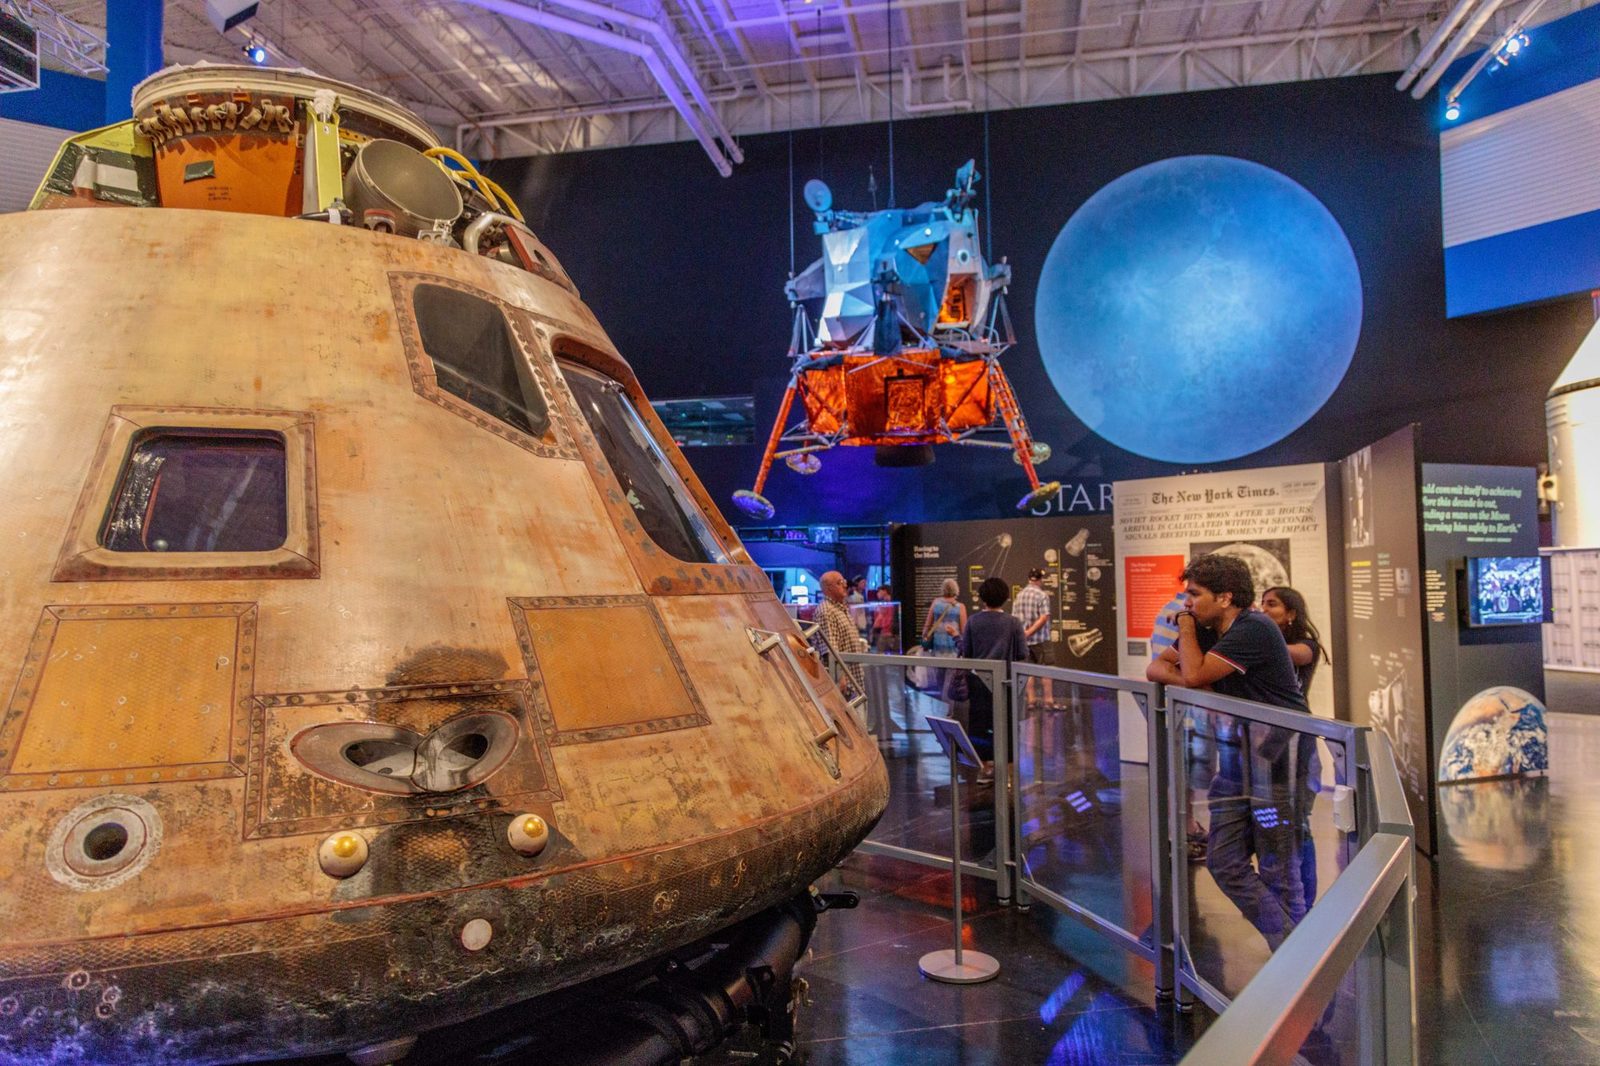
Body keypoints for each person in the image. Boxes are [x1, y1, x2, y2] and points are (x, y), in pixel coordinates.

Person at [1146, 553, 1309, 950]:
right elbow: (1156, 671)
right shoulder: (1207, 629)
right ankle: (1289, 943)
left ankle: (1297, 959)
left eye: (1195, 595)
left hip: (1278, 757)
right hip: (1239, 756)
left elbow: (1192, 673)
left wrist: (1187, 641)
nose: (1187, 604)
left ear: (1225, 598)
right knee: (1223, 862)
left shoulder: (1253, 628)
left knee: (1279, 868)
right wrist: (1201, 680)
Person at [1261, 585, 1333, 909]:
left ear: (1291, 614)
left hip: (1298, 747)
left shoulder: (1306, 647)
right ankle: (1289, 903)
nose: (1264, 609)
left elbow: (1291, 654)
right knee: (1277, 827)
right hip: (1270, 747)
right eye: (1261, 604)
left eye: (1272, 605)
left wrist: (1253, 630)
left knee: (1298, 825)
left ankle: (1306, 903)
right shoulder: (1264, 645)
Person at [959, 576, 1027, 775]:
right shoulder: (1013, 623)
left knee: (980, 726)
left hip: (978, 684)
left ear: (983, 598)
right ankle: (1006, 770)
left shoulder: (973, 621)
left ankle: (985, 769)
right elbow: (1022, 652)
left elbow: (967, 652)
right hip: (1005, 684)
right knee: (1006, 725)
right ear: (1006, 598)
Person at [816, 570, 868, 698]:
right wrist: (840, 679)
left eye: (844, 581)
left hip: (854, 682)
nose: (845, 585)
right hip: (845, 687)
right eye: (840, 582)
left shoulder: (840, 608)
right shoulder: (826, 611)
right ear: (828, 588)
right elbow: (830, 649)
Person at [920, 578, 967, 700]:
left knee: (940, 682)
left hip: (938, 650)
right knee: (950, 683)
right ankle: (948, 711)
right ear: (956, 590)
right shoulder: (960, 607)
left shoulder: (936, 603)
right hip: (953, 650)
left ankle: (942, 707)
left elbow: (927, 625)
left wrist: (924, 636)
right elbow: (964, 629)